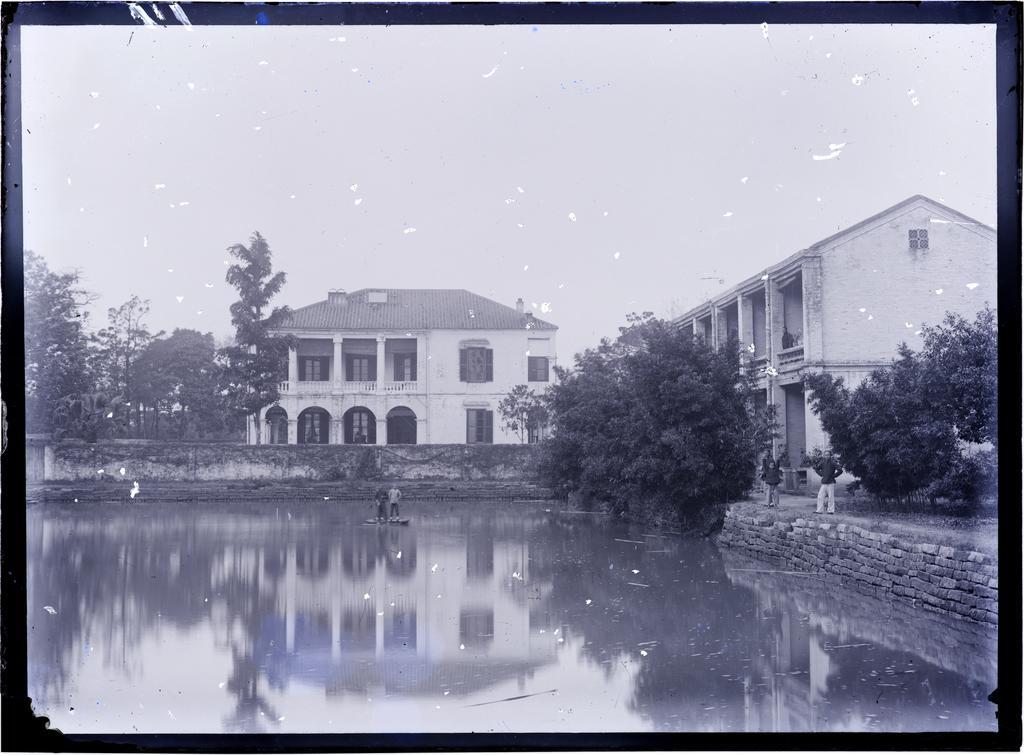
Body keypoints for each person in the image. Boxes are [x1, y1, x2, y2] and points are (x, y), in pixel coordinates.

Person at [815, 450, 844, 514]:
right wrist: (821, 474)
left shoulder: (833, 463)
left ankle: (830, 511)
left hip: (831, 482)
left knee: (830, 497)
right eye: (825, 455)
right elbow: (816, 469)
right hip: (824, 483)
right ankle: (819, 510)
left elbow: (840, 470)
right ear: (824, 456)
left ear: (830, 456)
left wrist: (834, 476)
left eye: (828, 455)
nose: (827, 456)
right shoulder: (822, 463)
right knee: (820, 496)